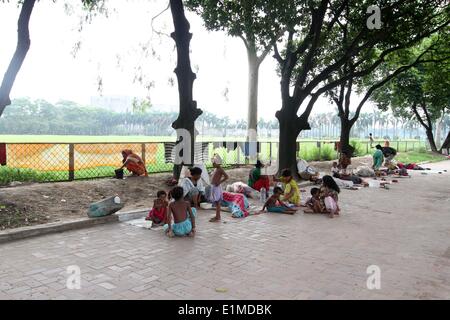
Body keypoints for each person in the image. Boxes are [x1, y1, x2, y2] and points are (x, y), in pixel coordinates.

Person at [209, 154, 229, 222]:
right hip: (214, 186)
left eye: (214, 162)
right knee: (216, 202)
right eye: (212, 162)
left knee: (217, 202)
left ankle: (218, 217)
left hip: (217, 186)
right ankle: (217, 216)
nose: (213, 164)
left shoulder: (220, 169)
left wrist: (220, 182)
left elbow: (226, 177)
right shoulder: (216, 169)